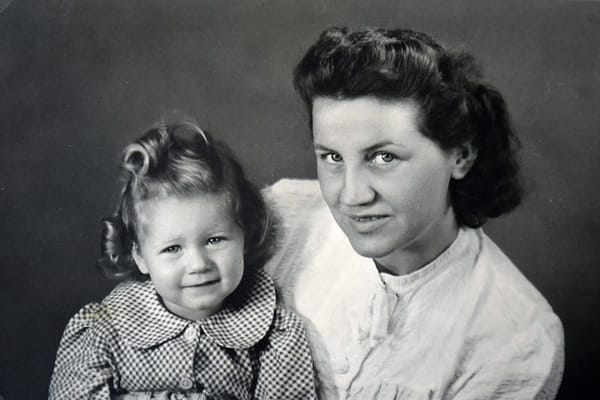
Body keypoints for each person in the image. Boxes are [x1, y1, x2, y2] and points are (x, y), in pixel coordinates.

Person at [264, 27, 564, 399]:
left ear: (461, 155)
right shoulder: (281, 219)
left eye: (384, 157)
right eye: (332, 158)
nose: (352, 195)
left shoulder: (517, 338)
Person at [49, 122, 317, 400]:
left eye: (214, 240)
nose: (199, 264)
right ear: (140, 256)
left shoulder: (277, 335)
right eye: (173, 248)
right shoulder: (102, 331)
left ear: (245, 236)